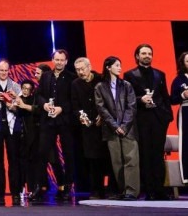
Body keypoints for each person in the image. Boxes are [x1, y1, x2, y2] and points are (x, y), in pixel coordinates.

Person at [123, 44, 173, 200]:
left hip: (158, 119)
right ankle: (149, 190)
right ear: (137, 56)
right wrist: (140, 99)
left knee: (158, 155)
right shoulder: (129, 75)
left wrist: (167, 116)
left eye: (149, 53)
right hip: (141, 119)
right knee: (145, 155)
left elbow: (165, 97)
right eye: (143, 53)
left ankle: (160, 190)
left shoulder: (160, 74)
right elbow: (127, 98)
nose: (147, 56)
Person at [33, 49, 76, 201]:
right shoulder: (45, 76)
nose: (59, 62)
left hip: (64, 120)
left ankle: (67, 186)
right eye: (56, 59)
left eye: (62, 60)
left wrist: (61, 108)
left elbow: (73, 100)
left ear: (66, 61)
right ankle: (40, 186)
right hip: (48, 120)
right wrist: (44, 105)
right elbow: (38, 95)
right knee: (42, 153)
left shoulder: (72, 77)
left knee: (68, 154)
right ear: (53, 60)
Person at [94, 56, 140, 200]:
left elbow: (131, 107)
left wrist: (124, 126)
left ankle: (132, 191)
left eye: (120, 65)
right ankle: (123, 190)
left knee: (131, 160)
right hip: (111, 131)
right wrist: (115, 126)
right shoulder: (100, 87)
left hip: (128, 130)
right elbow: (101, 109)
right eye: (117, 65)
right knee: (117, 162)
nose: (120, 68)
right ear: (108, 67)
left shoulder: (127, 85)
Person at [71, 57, 108, 199]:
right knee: (92, 159)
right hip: (87, 127)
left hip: (104, 124)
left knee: (107, 158)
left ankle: (111, 189)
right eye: (78, 70)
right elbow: (75, 104)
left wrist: (103, 115)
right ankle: (96, 190)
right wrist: (80, 116)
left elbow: (108, 100)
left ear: (89, 66)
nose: (81, 72)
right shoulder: (75, 84)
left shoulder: (100, 79)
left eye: (83, 69)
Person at [0, 59, 22, 204]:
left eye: (6, 70)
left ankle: (15, 192)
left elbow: (19, 107)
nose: (3, 73)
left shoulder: (16, 86)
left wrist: (11, 104)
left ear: (9, 70)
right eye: (1, 70)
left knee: (14, 160)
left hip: (12, 126)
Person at [16, 80, 39, 197]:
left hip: (33, 134)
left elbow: (38, 109)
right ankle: (21, 188)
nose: (25, 91)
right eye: (24, 88)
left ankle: (33, 188)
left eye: (28, 89)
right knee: (21, 162)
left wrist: (23, 106)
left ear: (32, 90)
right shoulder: (18, 98)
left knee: (32, 162)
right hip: (20, 135)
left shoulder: (35, 98)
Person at [170, 51, 188, 184]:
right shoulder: (179, 80)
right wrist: (183, 95)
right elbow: (172, 100)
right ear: (183, 64)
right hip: (186, 112)